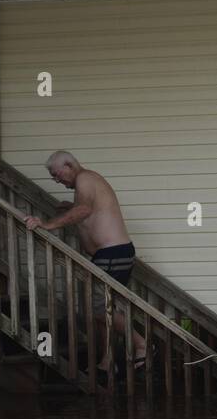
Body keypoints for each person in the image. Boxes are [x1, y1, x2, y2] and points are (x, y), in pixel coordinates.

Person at [24, 151, 146, 374]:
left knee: (99, 310)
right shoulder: (86, 184)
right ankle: (107, 362)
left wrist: (48, 225)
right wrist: (68, 208)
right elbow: (89, 211)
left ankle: (141, 344)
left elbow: (84, 210)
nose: (56, 180)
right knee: (101, 313)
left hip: (114, 254)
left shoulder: (85, 178)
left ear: (69, 165)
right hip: (109, 255)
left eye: (56, 174)